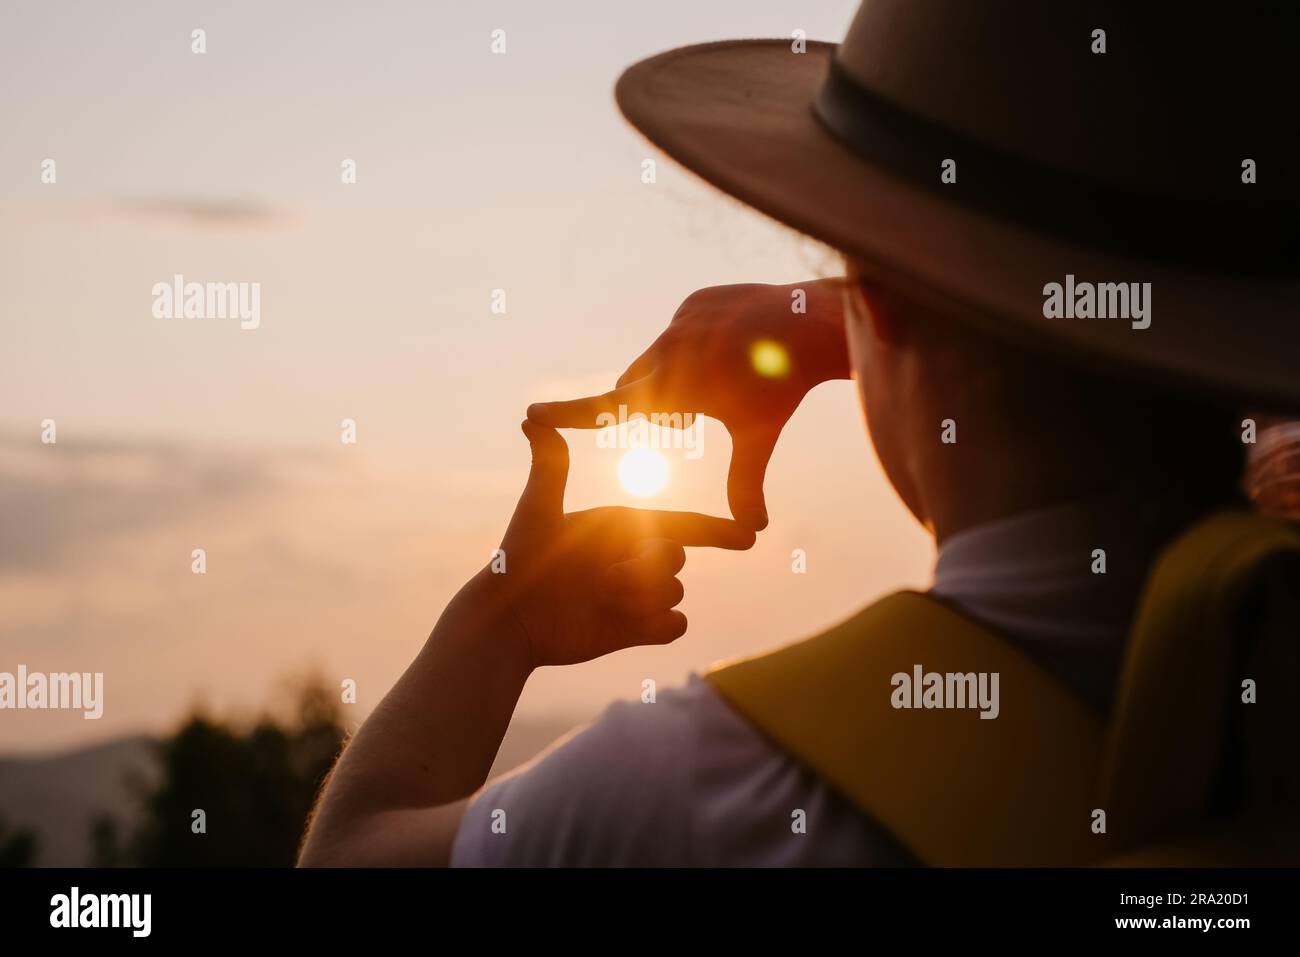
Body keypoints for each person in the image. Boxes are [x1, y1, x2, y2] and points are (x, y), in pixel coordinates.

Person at [299, 1, 1300, 867]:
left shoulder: (698, 793)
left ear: (881, 289)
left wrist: (504, 614)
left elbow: (353, 855)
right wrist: (847, 311)